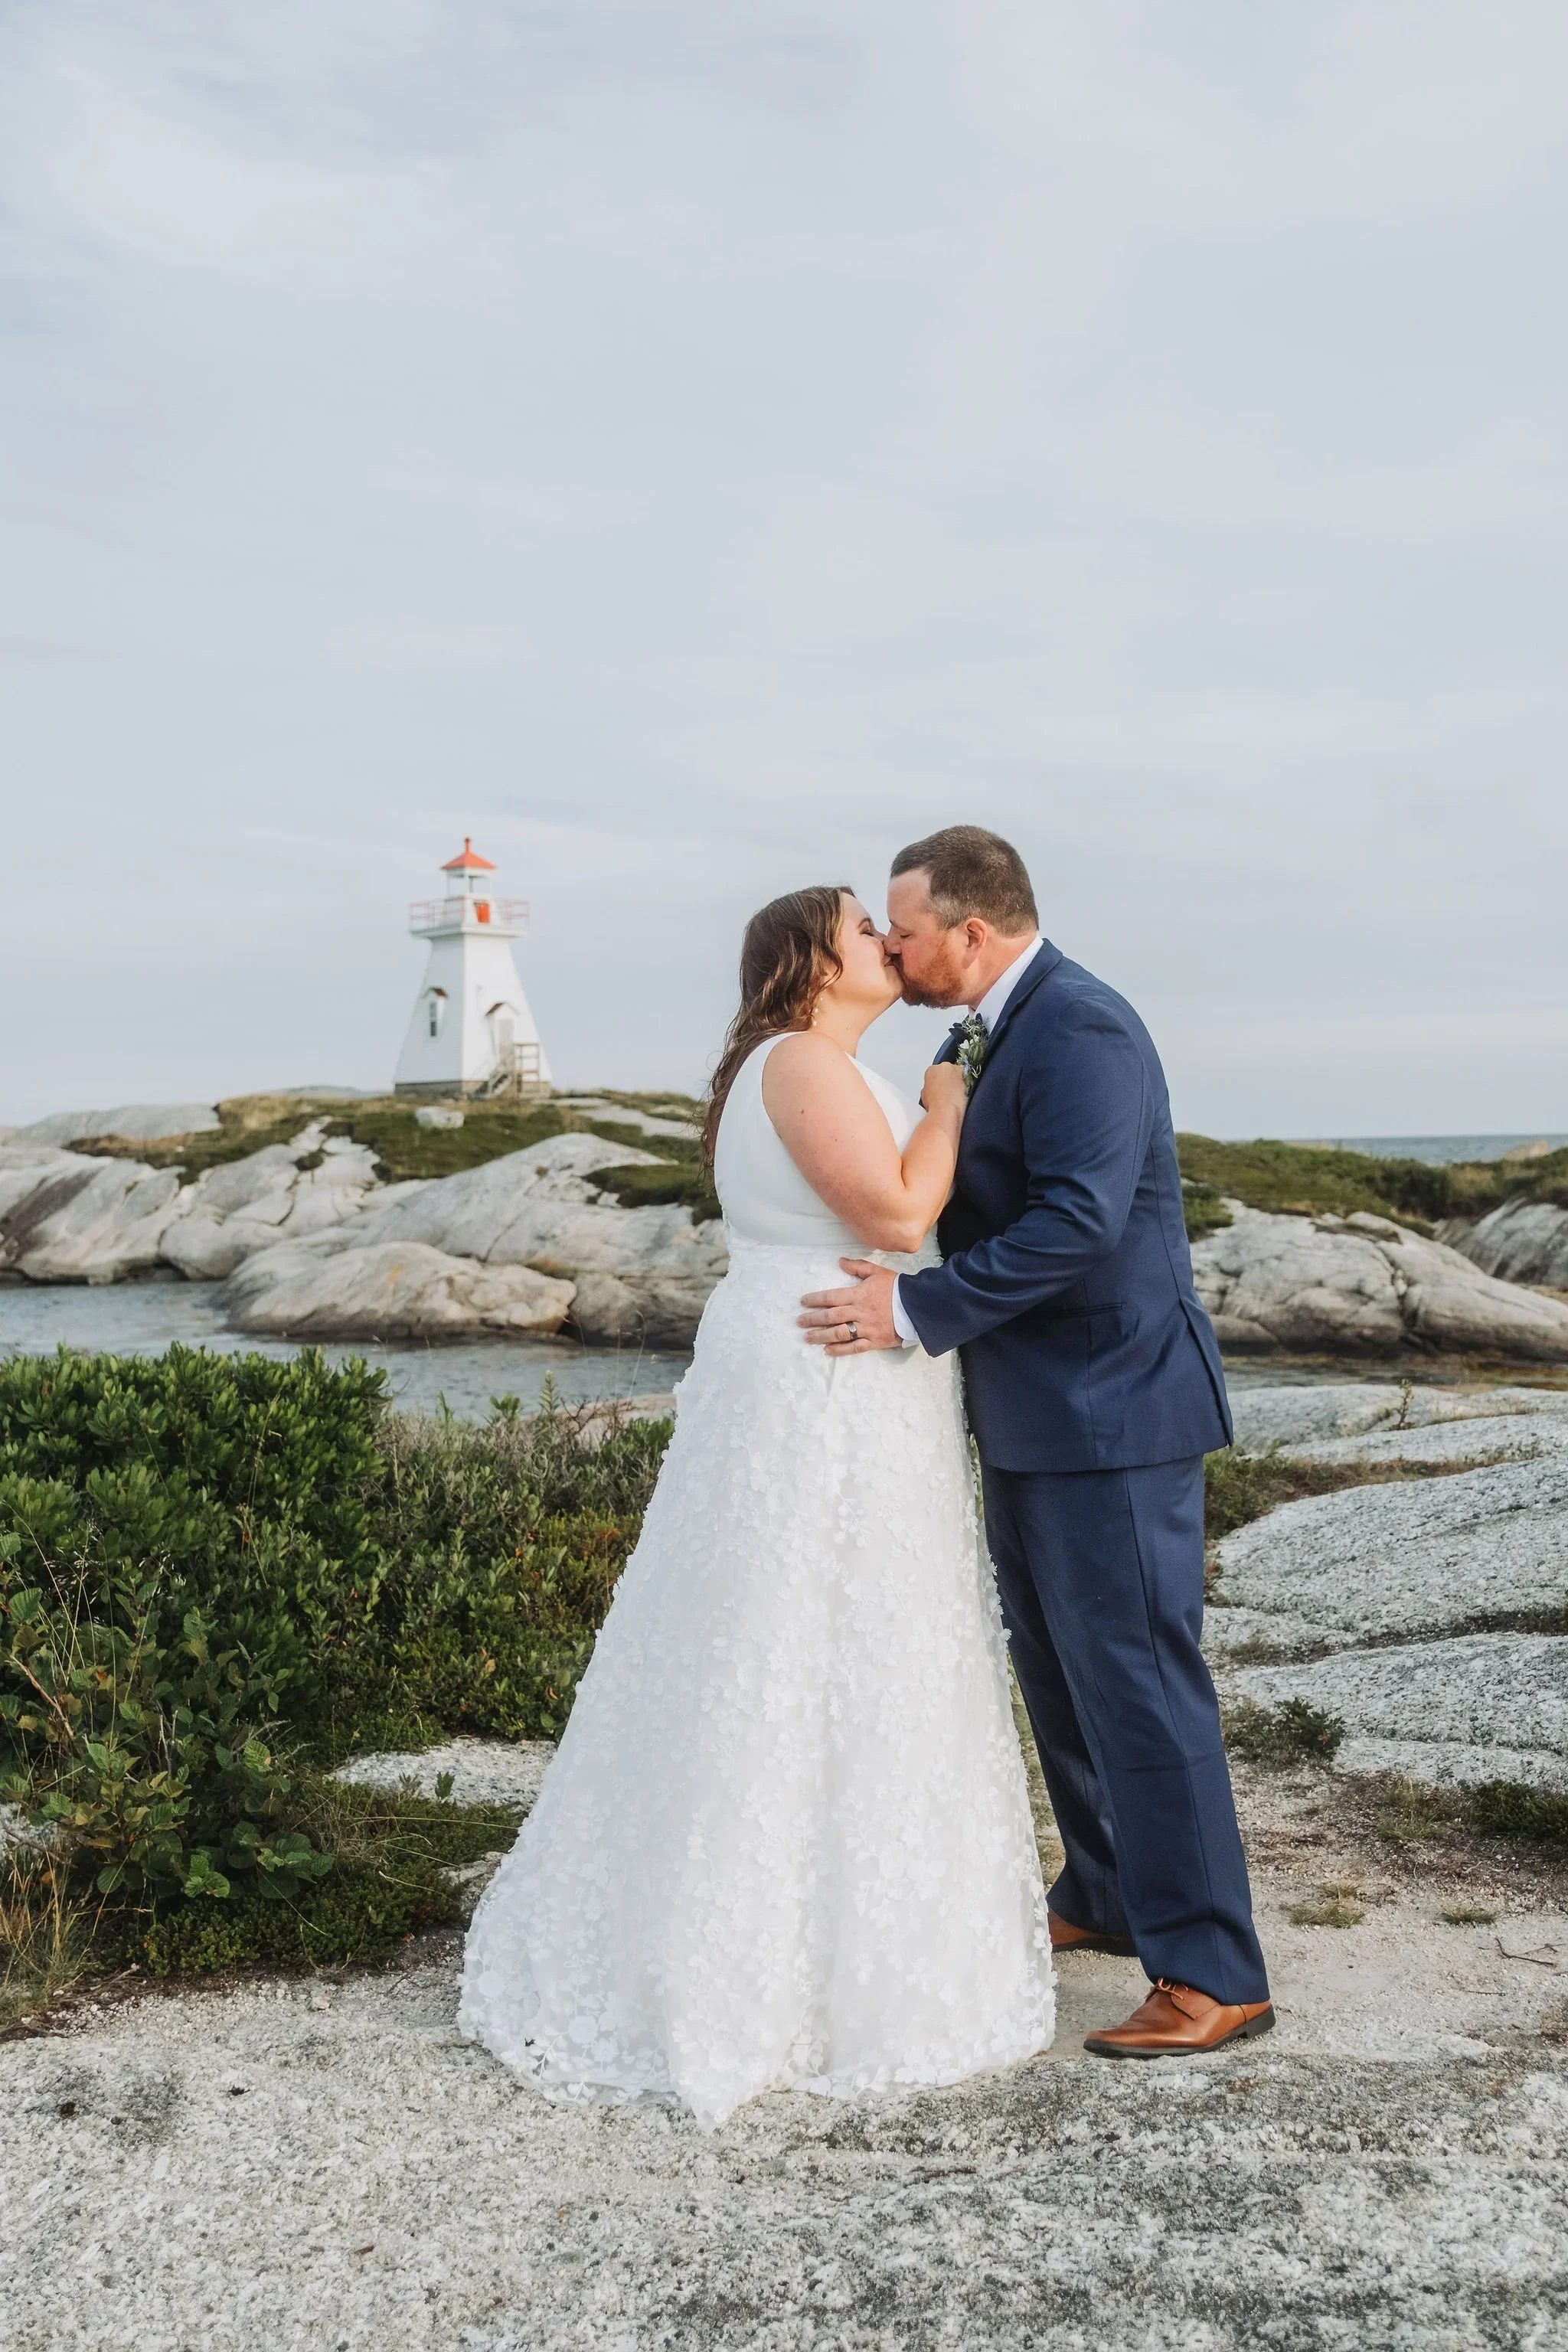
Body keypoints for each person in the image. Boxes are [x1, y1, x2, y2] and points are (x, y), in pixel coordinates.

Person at [459, 884, 1054, 2125]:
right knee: (795, 1642)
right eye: (862, 928)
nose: (887, 943)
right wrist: (948, 1103)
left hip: (851, 1369)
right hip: (824, 1376)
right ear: (808, 960)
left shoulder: (808, 1063)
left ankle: (844, 1943)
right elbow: (896, 1213)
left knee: (850, 1642)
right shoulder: (798, 1061)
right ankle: (762, 1970)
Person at [800, 826, 1272, 2058]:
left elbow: (1079, 1221)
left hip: (1114, 1409)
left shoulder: (1082, 1028)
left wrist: (913, 1309)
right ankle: (1104, 1892)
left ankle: (1214, 1970)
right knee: (1060, 1673)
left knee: (1140, 1683)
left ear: (972, 929)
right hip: (1034, 1408)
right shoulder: (991, 1029)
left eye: (905, 930)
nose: (893, 951)